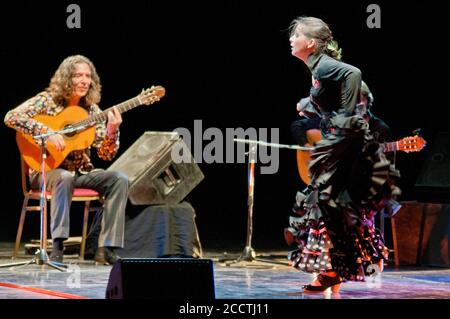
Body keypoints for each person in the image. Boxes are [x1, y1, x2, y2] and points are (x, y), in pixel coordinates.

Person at [285, 16, 400, 292]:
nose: (291, 39)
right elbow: (329, 101)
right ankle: (333, 271)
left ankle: (333, 271)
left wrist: (346, 118)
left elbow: (353, 73)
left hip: (346, 146)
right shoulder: (317, 68)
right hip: (341, 144)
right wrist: (307, 104)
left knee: (326, 204)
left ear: (310, 43)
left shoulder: (324, 65)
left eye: (296, 35)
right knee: (329, 208)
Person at [4, 55, 129, 265]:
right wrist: (47, 132)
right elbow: (11, 117)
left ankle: (106, 248)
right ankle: (58, 248)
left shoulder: (92, 111)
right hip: (46, 172)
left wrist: (112, 130)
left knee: (119, 179)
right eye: (77, 75)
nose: (83, 81)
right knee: (63, 177)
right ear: (66, 78)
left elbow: (106, 154)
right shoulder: (47, 101)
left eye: (88, 76)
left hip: (80, 173)